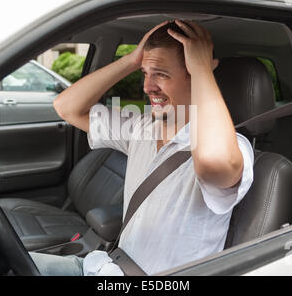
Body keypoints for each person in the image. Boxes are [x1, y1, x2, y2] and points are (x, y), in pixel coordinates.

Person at [30, 20, 254, 276]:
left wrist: (203, 68)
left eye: (161, 73)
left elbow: (214, 162)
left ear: (196, 73)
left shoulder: (235, 147)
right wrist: (132, 60)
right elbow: (67, 108)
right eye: (145, 73)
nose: (147, 87)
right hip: (105, 266)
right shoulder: (142, 127)